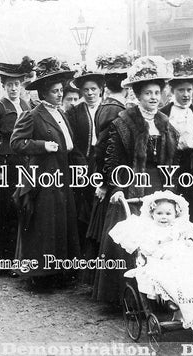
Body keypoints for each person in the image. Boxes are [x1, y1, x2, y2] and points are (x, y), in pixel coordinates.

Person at [92, 55, 179, 305]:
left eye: (156, 93)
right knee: (131, 238)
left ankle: (162, 294)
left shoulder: (164, 122)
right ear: (138, 96)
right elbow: (113, 158)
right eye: (148, 93)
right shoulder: (124, 122)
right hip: (131, 184)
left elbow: (172, 160)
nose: (153, 97)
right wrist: (116, 187)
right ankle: (126, 296)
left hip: (159, 184)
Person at [10, 57, 84, 286]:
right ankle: (40, 275)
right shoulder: (33, 115)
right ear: (44, 94)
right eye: (54, 91)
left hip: (62, 175)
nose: (60, 95)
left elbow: (70, 144)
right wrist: (42, 146)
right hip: (43, 177)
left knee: (62, 222)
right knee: (44, 225)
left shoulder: (61, 113)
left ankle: (60, 271)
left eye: (61, 90)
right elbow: (16, 143)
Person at [110, 191, 193, 330]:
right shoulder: (149, 229)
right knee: (163, 272)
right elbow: (146, 248)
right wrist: (158, 247)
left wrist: (189, 240)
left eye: (168, 214)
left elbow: (190, 236)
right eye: (159, 213)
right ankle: (169, 299)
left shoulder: (179, 227)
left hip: (179, 259)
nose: (164, 217)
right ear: (152, 214)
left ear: (175, 215)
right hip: (158, 259)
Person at [84, 52, 133, 284]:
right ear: (125, 85)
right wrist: (104, 182)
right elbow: (104, 148)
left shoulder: (107, 105)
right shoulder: (115, 109)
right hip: (109, 174)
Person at [0, 58, 33, 264]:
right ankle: (3, 258)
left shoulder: (25, 104)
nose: (14, 88)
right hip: (6, 164)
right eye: (10, 85)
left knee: (22, 207)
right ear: (3, 86)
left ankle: (19, 255)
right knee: (6, 209)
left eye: (17, 84)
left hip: (24, 163)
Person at [160, 56, 193, 233]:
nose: (186, 95)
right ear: (172, 90)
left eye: (189, 90)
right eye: (181, 90)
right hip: (171, 166)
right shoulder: (163, 113)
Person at [67, 69, 105, 262]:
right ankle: (83, 253)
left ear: (100, 90)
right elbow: (71, 141)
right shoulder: (74, 111)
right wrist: (81, 163)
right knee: (83, 205)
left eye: (93, 89)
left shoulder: (107, 109)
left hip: (103, 162)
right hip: (82, 162)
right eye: (86, 90)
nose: (90, 93)